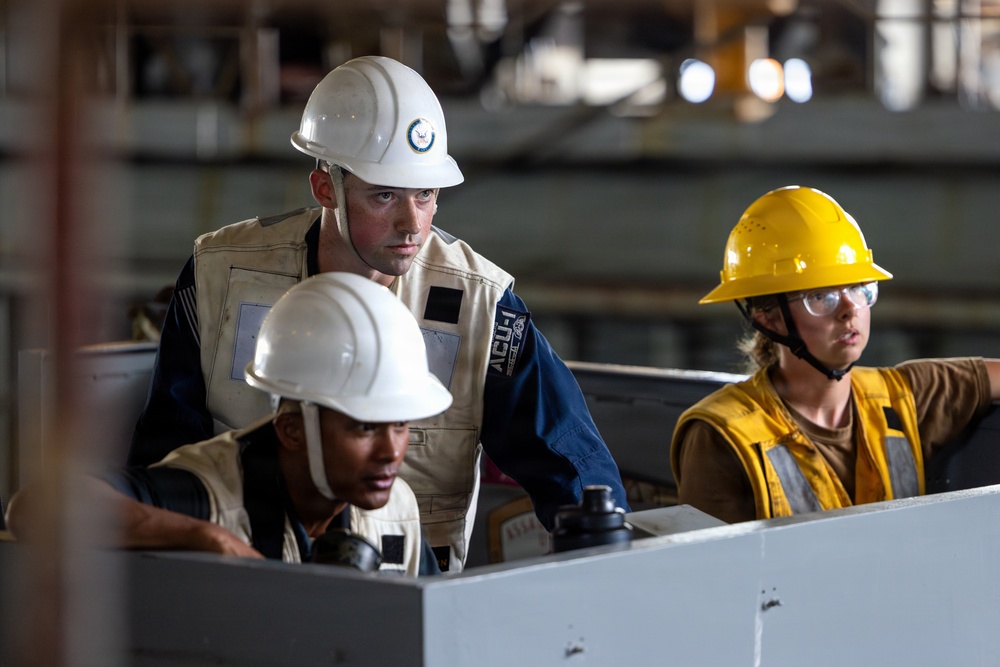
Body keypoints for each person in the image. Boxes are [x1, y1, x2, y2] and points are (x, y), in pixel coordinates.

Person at [127, 55, 629, 571]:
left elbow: (575, 476)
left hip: (415, 593)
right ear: (326, 188)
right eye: (385, 195)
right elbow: (163, 456)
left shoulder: (484, 307)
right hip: (238, 584)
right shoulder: (219, 277)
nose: (413, 224)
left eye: (427, 194)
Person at [7, 273, 452, 575]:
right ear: (291, 429)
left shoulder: (398, 510)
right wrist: (209, 539)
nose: (391, 452)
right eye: (363, 428)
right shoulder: (207, 494)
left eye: (399, 424)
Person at [670, 185, 1000, 524]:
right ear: (769, 318)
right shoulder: (724, 433)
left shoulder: (904, 396)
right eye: (820, 296)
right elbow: (713, 570)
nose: (849, 309)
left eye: (859, 288)